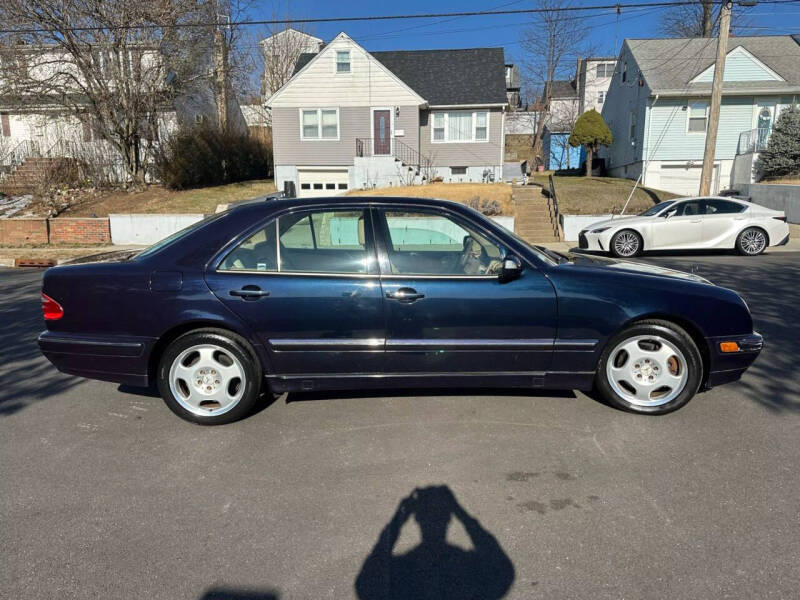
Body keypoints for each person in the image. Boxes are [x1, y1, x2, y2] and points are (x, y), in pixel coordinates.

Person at [355, 486, 515, 600]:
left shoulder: (403, 569)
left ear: (416, 520)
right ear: (448, 520)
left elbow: (372, 570)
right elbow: (500, 565)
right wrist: (461, 512)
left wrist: (398, 519)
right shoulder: (464, 565)